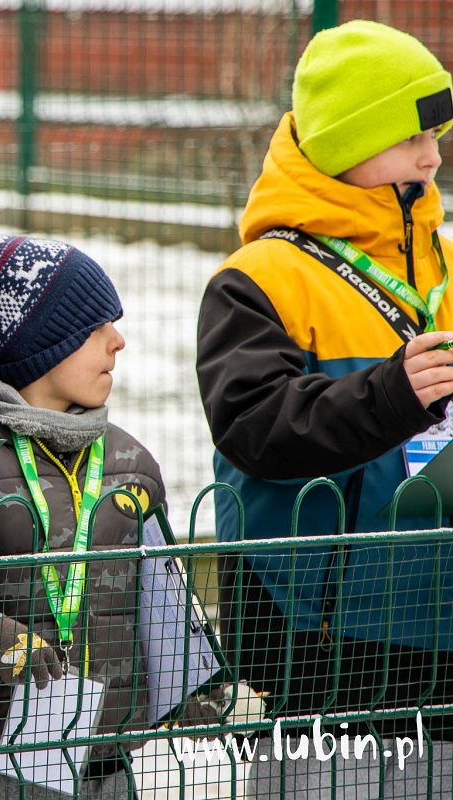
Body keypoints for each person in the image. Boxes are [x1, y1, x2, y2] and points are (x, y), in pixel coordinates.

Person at [196, 19, 453, 791]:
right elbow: (254, 427)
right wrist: (392, 395)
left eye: (436, 137)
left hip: (438, 622)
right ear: (348, 144)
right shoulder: (260, 277)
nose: (433, 157)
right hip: (322, 648)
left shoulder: (444, 265)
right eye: (412, 138)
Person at [0, 235, 221, 799]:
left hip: (108, 758)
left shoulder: (130, 462)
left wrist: (192, 679)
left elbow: (163, 589)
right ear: (40, 346)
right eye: (94, 328)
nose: (118, 341)